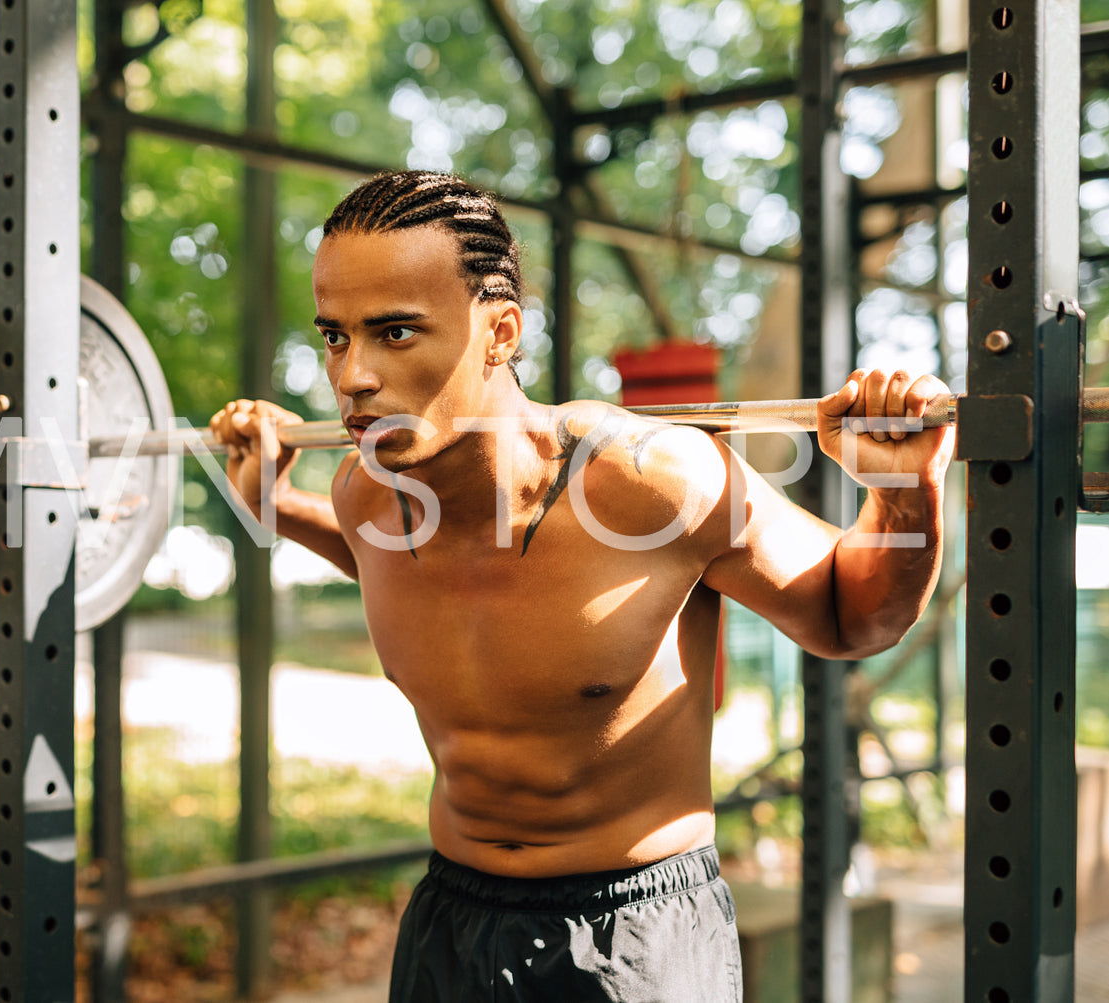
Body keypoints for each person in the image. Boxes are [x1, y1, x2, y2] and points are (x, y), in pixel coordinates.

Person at [209, 170, 952, 1002]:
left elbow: (852, 616)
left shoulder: (652, 480)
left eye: (394, 333)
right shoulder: (367, 492)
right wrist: (269, 497)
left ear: (499, 332)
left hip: (630, 933)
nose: (351, 377)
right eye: (336, 337)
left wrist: (900, 491)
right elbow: (390, 567)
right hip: (451, 919)